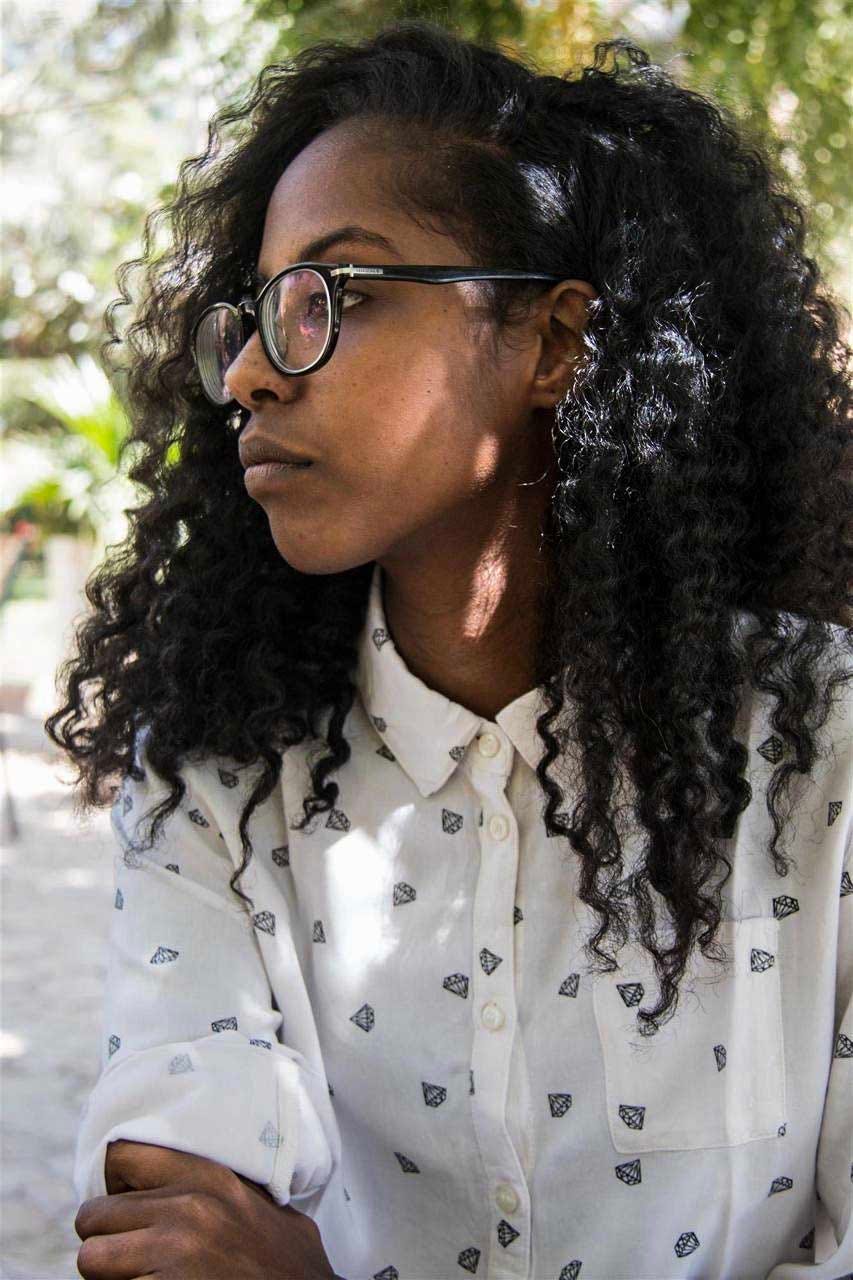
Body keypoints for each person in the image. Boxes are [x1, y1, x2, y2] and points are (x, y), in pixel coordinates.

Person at [50, 18, 851, 1280]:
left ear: (554, 343)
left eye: (337, 296)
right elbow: (177, 1216)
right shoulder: (216, 770)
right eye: (254, 315)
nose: (252, 371)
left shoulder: (825, 755)